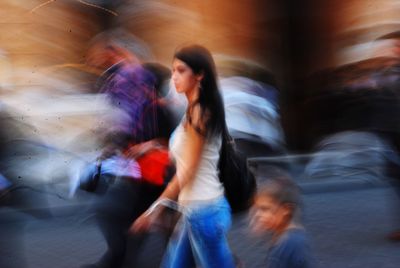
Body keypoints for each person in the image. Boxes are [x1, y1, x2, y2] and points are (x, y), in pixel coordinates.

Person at [131, 44, 236, 268]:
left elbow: (187, 171)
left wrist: (154, 210)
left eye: (181, 70)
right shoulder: (193, 109)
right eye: (173, 71)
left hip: (203, 212)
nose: (174, 77)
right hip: (194, 211)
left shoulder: (200, 113)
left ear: (199, 75)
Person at [250, 174, 314, 268]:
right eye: (257, 209)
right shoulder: (296, 237)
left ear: (286, 209)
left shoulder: (287, 244)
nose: (257, 215)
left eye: (264, 209)